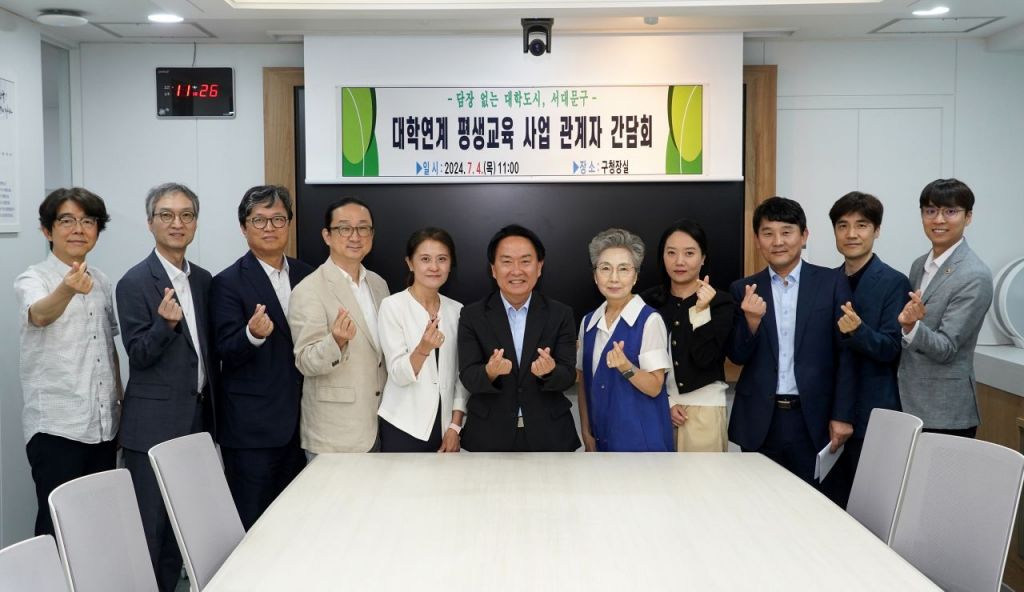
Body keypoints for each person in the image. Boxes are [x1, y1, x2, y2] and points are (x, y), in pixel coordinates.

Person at [116, 182, 215, 592]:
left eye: (186, 215)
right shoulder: (134, 282)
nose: (177, 223)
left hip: (196, 423)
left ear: (195, 223)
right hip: (152, 429)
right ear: (150, 222)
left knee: (183, 529)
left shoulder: (204, 280)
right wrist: (164, 325)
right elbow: (138, 355)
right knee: (150, 533)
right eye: (167, 215)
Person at [726, 197, 855, 485]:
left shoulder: (832, 283)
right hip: (760, 419)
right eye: (768, 233)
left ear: (804, 235)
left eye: (786, 232)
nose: (778, 241)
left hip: (814, 419)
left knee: (814, 503)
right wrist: (751, 322)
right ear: (757, 240)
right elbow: (737, 355)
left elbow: (846, 354)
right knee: (759, 501)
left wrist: (843, 414)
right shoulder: (743, 289)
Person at [15, 188, 120, 537]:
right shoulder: (33, 278)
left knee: (97, 529)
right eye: (67, 221)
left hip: (104, 426)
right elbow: (40, 315)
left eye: (88, 221)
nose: (78, 229)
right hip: (57, 428)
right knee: (58, 528)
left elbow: (108, 348)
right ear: (47, 230)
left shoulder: (102, 281)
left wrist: (119, 403)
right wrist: (68, 289)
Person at [210, 185, 313, 529]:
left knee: (296, 523)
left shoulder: (307, 275)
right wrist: (252, 335)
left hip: (301, 426)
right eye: (259, 220)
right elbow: (224, 349)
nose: (270, 227)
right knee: (253, 525)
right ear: (244, 227)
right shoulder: (227, 282)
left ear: (289, 224)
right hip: (252, 432)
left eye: (278, 219)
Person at [456, 224, 580, 452]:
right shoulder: (472, 315)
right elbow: (468, 377)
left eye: (525, 261)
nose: (516, 270)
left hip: (550, 436)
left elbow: (568, 376)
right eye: (506, 261)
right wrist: (490, 372)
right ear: (493, 269)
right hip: (488, 436)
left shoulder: (560, 314)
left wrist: (550, 371)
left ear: (539, 267)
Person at [825, 191, 910, 506]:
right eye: (843, 226)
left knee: (872, 508)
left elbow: (891, 348)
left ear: (877, 230)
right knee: (829, 506)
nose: (851, 234)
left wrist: (858, 331)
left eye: (861, 225)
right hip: (829, 413)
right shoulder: (827, 281)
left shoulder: (894, 282)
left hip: (874, 414)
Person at [288, 197, 388, 454]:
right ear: (327, 236)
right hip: (334, 435)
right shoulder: (309, 289)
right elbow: (305, 361)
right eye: (344, 228)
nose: (355, 236)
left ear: (372, 235)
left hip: (378, 426)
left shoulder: (379, 284)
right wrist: (336, 341)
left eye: (363, 228)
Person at [898, 178, 993, 438]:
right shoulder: (919, 264)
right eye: (930, 211)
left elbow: (947, 347)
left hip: (945, 412)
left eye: (950, 211)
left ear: (968, 217)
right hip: (909, 404)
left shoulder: (974, 274)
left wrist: (911, 327)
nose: (939, 219)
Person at [641, 220, 734, 452]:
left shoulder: (721, 302)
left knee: (703, 476)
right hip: (655, 407)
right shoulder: (646, 302)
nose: (679, 261)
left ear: (703, 258)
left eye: (689, 253)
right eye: (671, 253)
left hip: (704, 411)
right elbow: (638, 359)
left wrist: (701, 311)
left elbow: (705, 358)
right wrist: (666, 402)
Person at [577, 228, 672, 452]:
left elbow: (655, 387)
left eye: (623, 269)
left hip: (643, 444)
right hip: (602, 440)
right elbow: (583, 383)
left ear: (636, 276)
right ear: (595, 275)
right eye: (605, 268)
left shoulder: (650, 321)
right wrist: (586, 432)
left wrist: (626, 368)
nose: (614, 278)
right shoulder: (588, 322)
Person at [377, 227, 469, 452]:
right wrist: (424, 348)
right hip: (403, 425)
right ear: (410, 263)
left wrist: (455, 426)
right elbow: (398, 374)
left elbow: (462, 376)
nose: (434, 267)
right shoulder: (392, 306)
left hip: (446, 428)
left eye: (442, 259)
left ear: (450, 264)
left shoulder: (457, 310)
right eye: (425, 259)